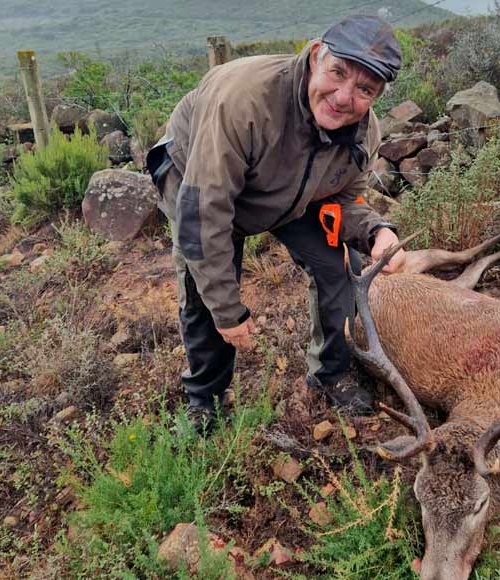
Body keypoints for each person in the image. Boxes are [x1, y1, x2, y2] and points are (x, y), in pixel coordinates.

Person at [146, 15, 407, 432]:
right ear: (317, 54)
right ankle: (205, 401)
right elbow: (204, 215)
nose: (343, 98)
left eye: (364, 90)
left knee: (339, 264)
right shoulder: (244, 100)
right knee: (204, 281)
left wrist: (375, 231)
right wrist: (228, 311)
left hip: (288, 188)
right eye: (337, 73)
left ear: (378, 95)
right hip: (198, 175)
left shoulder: (361, 134)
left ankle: (330, 376)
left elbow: (341, 201)